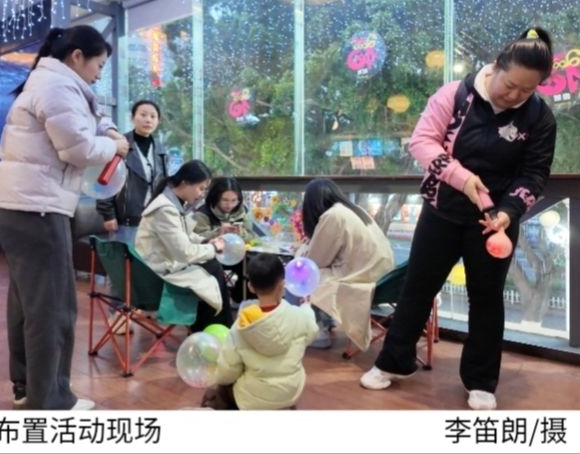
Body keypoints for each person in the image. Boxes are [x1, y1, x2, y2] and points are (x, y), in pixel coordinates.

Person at [360, 28, 556, 411]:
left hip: (494, 220)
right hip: (442, 210)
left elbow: (534, 174)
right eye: (510, 85)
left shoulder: (539, 118)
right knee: (417, 287)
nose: (515, 96)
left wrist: (507, 212)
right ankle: (393, 362)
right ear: (496, 67)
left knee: (486, 299)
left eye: (527, 90)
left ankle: (481, 381)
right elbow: (421, 141)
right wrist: (462, 178)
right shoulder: (454, 94)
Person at [0, 26, 129, 410]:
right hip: (39, 209)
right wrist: (115, 146)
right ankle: (51, 400)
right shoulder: (58, 87)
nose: (99, 74)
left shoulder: (52, 83)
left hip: (18, 208)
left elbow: (91, 122)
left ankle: (27, 388)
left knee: (26, 305)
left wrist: (111, 132)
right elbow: (79, 148)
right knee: (53, 308)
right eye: (98, 65)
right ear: (77, 56)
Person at [201, 253, 318, 410]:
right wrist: (306, 306)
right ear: (283, 284)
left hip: (253, 398)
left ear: (250, 287)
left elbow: (227, 372)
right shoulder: (300, 316)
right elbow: (311, 330)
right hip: (291, 393)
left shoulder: (241, 326)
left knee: (221, 387)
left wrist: (217, 380)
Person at [134, 160, 233, 332]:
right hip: (155, 278)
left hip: (157, 269)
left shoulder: (171, 204)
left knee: (210, 267)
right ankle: (214, 329)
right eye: (201, 188)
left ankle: (211, 329)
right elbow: (184, 252)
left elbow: (185, 236)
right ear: (185, 182)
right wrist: (213, 248)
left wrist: (205, 242)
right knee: (212, 268)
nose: (202, 194)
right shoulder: (165, 209)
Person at [299, 178, 394, 350]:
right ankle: (326, 321)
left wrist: (303, 248)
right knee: (319, 274)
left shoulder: (332, 216)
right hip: (385, 277)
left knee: (303, 276)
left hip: (362, 278)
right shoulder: (355, 210)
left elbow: (316, 261)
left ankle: (317, 331)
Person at [96, 100, 167, 245]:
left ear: (158, 121)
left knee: (148, 258)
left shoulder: (160, 150)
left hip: (152, 220)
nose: (148, 120)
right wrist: (108, 215)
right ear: (133, 118)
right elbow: (104, 182)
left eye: (153, 116)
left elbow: (164, 183)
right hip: (125, 221)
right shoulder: (120, 145)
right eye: (143, 115)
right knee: (124, 258)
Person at [193, 177, 256, 303]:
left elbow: (251, 235)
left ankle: (246, 300)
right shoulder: (203, 213)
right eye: (225, 200)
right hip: (213, 255)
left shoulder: (243, 211)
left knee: (254, 265)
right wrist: (219, 232)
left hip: (238, 254)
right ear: (216, 197)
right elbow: (198, 237)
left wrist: (241, 233)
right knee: (214, 268)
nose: (229, 205)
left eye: (234, 200)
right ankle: (219, 301)